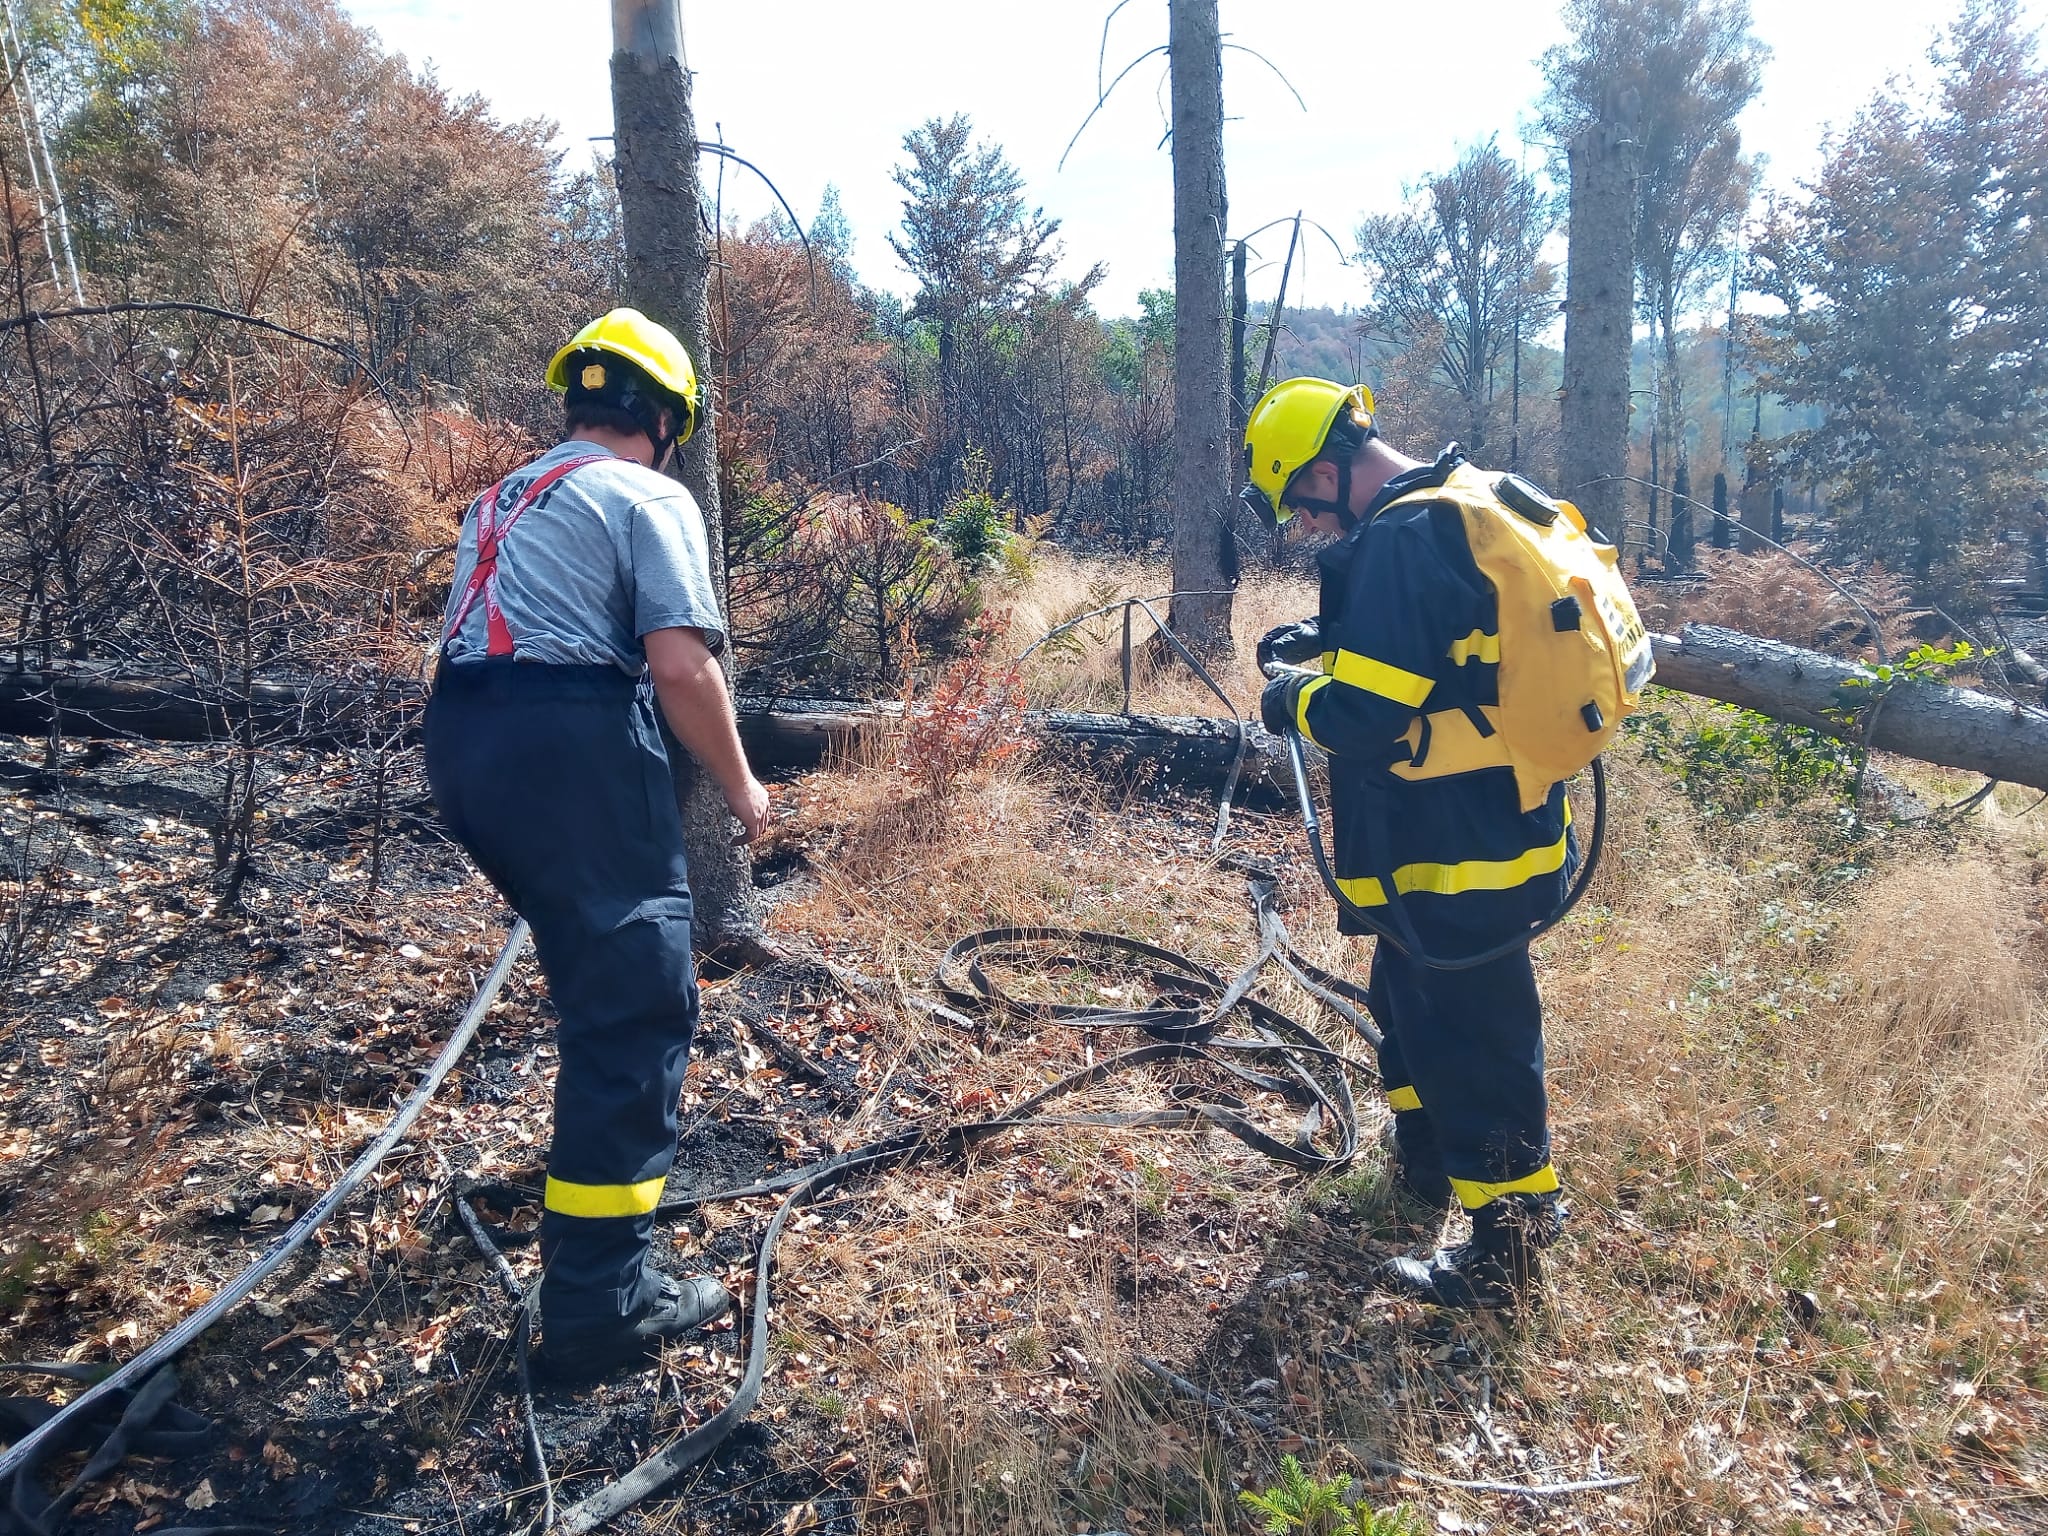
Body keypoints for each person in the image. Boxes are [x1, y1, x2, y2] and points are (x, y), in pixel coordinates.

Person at [424, 308, 771, 1375]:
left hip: (461, 741)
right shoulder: (646, 493)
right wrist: (743, 785)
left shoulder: (499, 498)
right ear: (664, 419)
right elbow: (677, 665)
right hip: (567, 738)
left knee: (601, 993)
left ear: (577, 401)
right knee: (636, 1008)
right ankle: (597, 1302)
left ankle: (599, 1253)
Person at [1244, 377, 1573, 1309]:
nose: (1306, 526)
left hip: (1456, 844)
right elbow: (1439, 645)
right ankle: (1430, 1162)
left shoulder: (1401, 537)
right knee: (1406, 994)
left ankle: (1508, 1248)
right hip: (1491, 824)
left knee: (1476, 1030)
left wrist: (1293, 697)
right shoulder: (1453, 500)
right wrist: (1325, 634)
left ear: (1324, 467)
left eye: (1300, 504)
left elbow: (1368, 716)